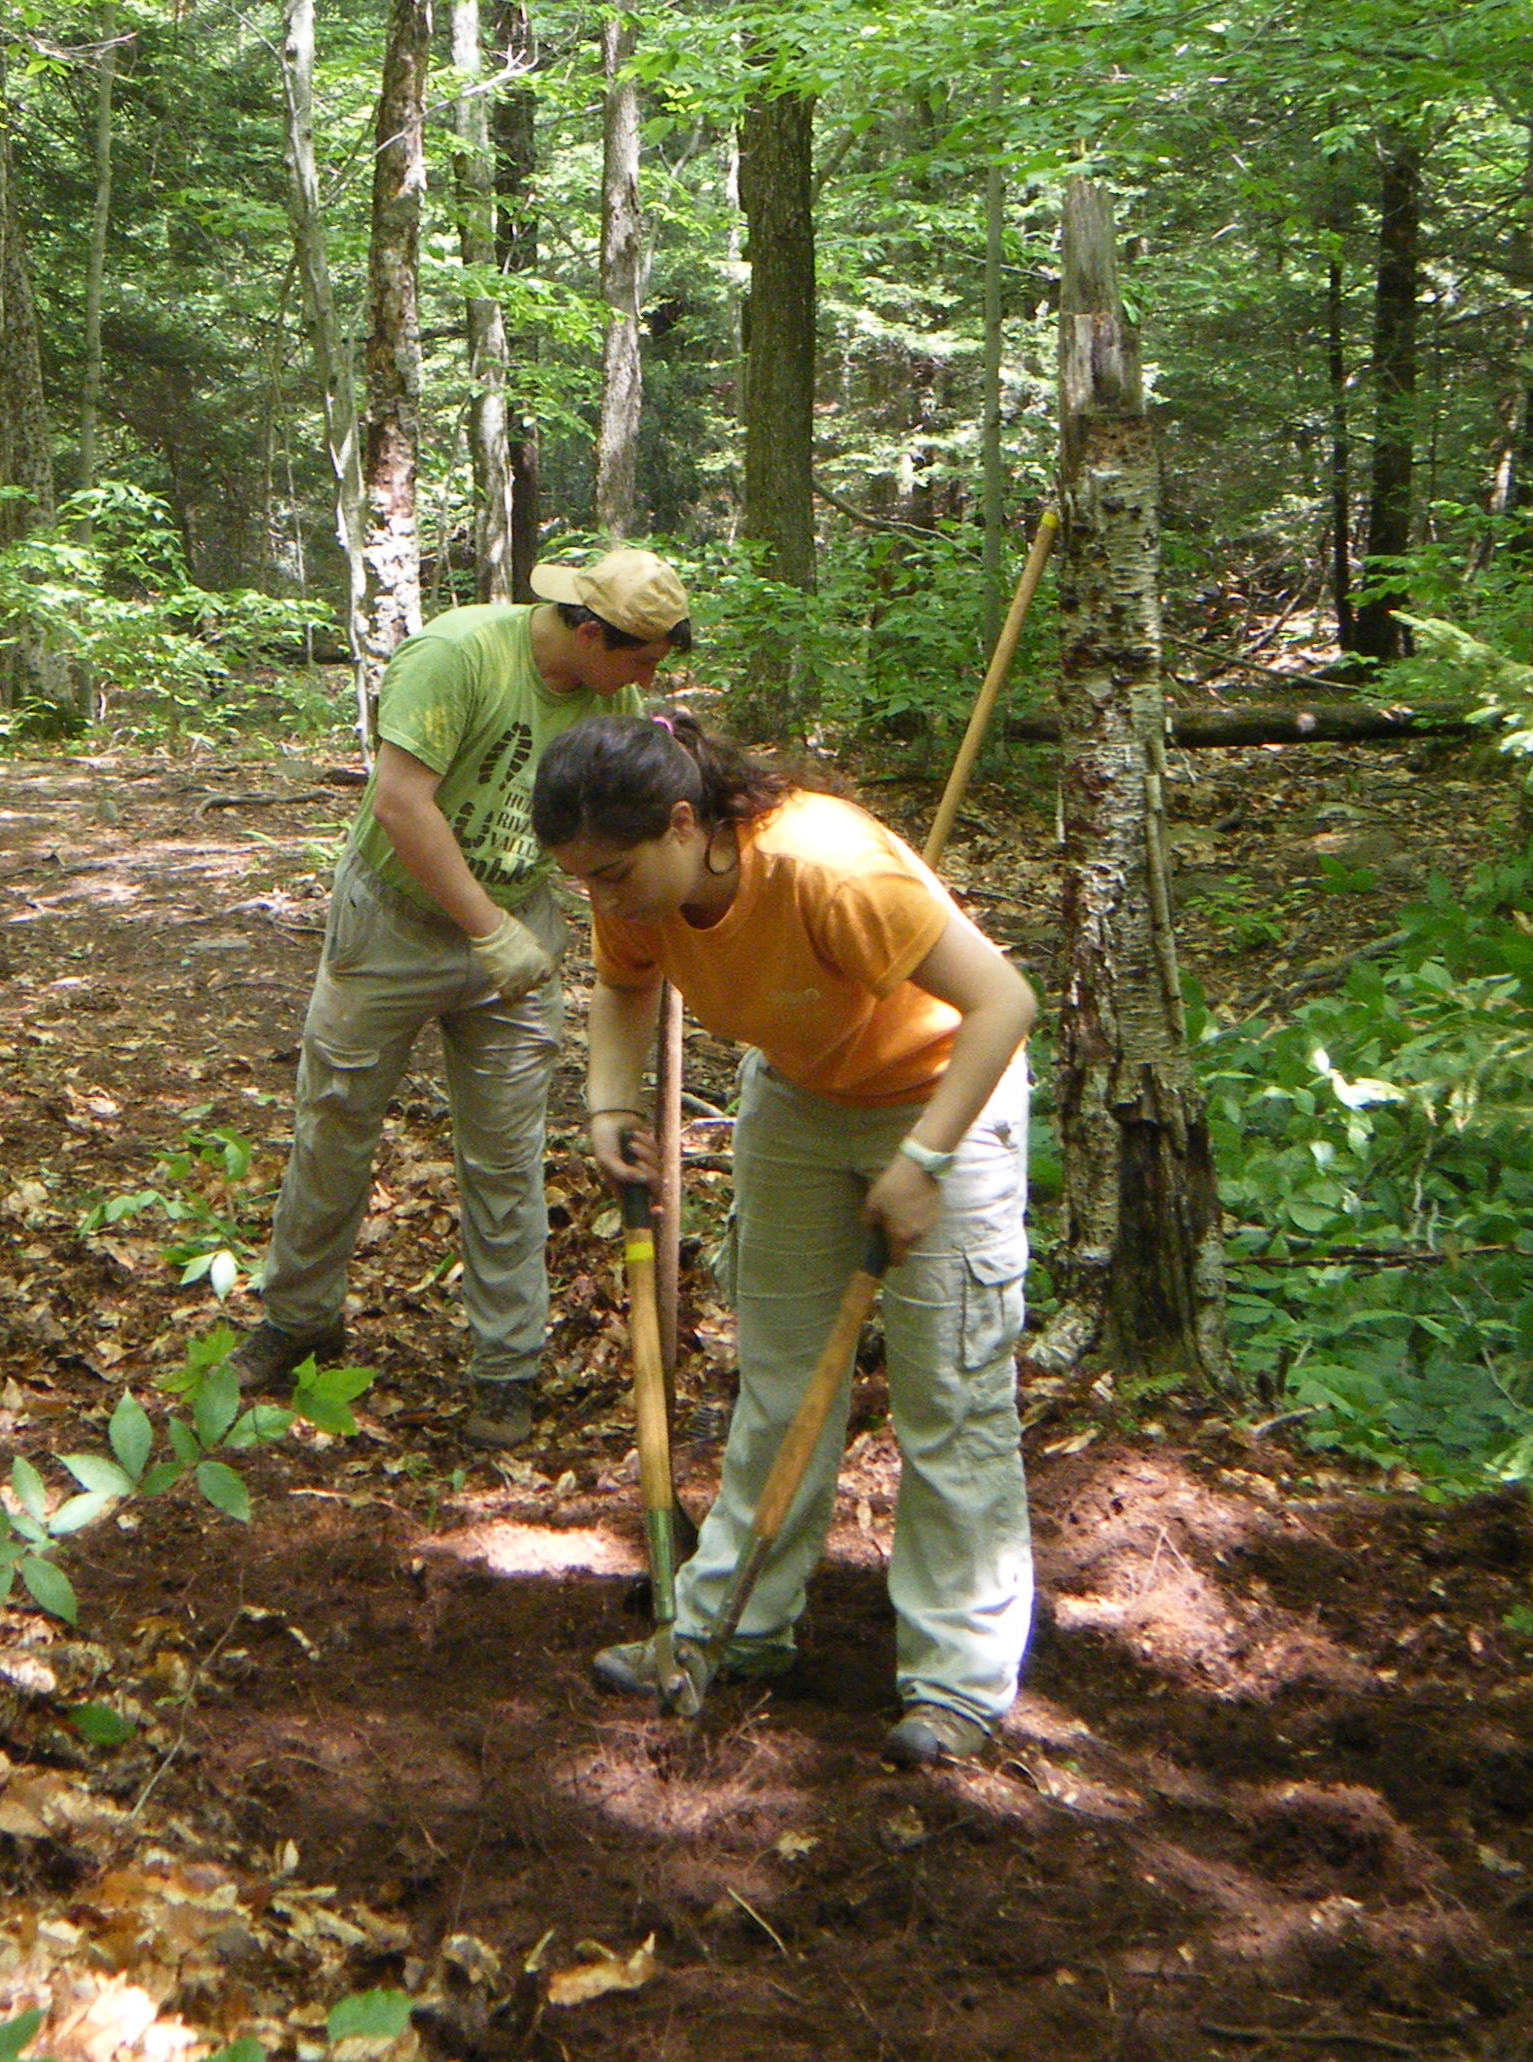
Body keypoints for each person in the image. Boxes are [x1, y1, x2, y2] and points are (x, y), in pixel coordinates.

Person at [530, 711, 1037, 1766]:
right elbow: (625, 987)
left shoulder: (828, 867)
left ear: (684, 824)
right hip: (802, 1095)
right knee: (781, 1373)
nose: (602, 898)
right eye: (583, 880)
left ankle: (958, 1683)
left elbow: (1003, 1002)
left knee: (949, 1394)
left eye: (615, 874)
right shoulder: (634, 887)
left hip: (946, 1094)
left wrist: (928, 1161)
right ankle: (730, 1625)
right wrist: (606, 1102)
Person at [232, 549, 692, 1449]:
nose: (646, 682)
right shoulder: (460, 657)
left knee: (505, 1153)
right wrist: (486, 929)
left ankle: (505, 1364)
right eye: (638, 661)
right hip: (395, 926)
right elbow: (403, 804)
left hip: (515, 931)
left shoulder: (612, 697)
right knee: (335, 1122)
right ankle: (299, 1318)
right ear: (589, 632)